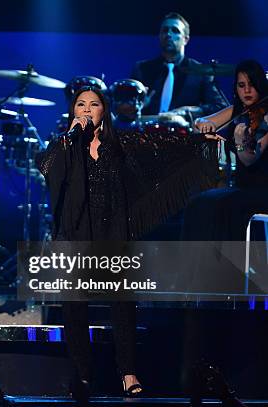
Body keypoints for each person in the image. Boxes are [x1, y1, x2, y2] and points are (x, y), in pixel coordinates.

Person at [36, 86, 218, 401]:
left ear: (104, 110)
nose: (87, 109)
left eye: (94, 104)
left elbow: (161, 150)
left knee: (123, 304)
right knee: (74, 307)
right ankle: (82, 374)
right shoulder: (63, 146)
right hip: (76, 235)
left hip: (113, 232)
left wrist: (199, 142)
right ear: (72, 111)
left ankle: (127, 372)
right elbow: (48, 167)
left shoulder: (119, 147)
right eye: (81, 104)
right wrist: (69, 137)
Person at [183, 59, 268, 241]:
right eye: (241, 85)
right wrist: (203, 123)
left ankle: (227, 265)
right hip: (242, 187)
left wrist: (239, 142)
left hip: (262, 190)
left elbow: (249, 159)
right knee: (196, 203)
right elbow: (200, 123)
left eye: (252, 85)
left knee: (220, 205)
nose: (246, 91)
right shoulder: (237, 110)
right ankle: (193, 266)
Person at [131, 12, 227, 120]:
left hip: (185, 134)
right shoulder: (142, 69)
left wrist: (188, 111)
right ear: (159, 36)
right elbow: (125, 108)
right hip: (146, 133)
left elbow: (220, 107)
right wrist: (138, 106)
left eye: (175, 31)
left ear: (186, 39)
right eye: (165, 30)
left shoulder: (200, 71)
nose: (168, 34)